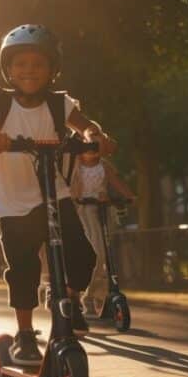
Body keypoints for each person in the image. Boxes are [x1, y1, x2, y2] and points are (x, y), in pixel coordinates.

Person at [0, 24, 114, 366]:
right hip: (10, 197)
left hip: (52, 190)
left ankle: (69, 300)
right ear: (8, 69)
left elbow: (86, 126)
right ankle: (25, 334)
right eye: (20, 64)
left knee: (82, 256)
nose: (28, 70)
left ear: (52, 69)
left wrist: (97, 135)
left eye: (37, 64)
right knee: (24, 266)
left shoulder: (59, 104)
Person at [69, 123, 136, 316]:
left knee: (106, 256)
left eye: (96, 148)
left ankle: (95, 295)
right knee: (94, 253)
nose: (92, 152)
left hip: (102, 212)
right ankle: (84, 294)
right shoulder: (76, 167)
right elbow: (71, 189)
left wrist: (129, 196)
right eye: (89, 147)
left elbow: (117, 182)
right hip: (84, 212)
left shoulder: (104, 167)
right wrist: (77, 196)